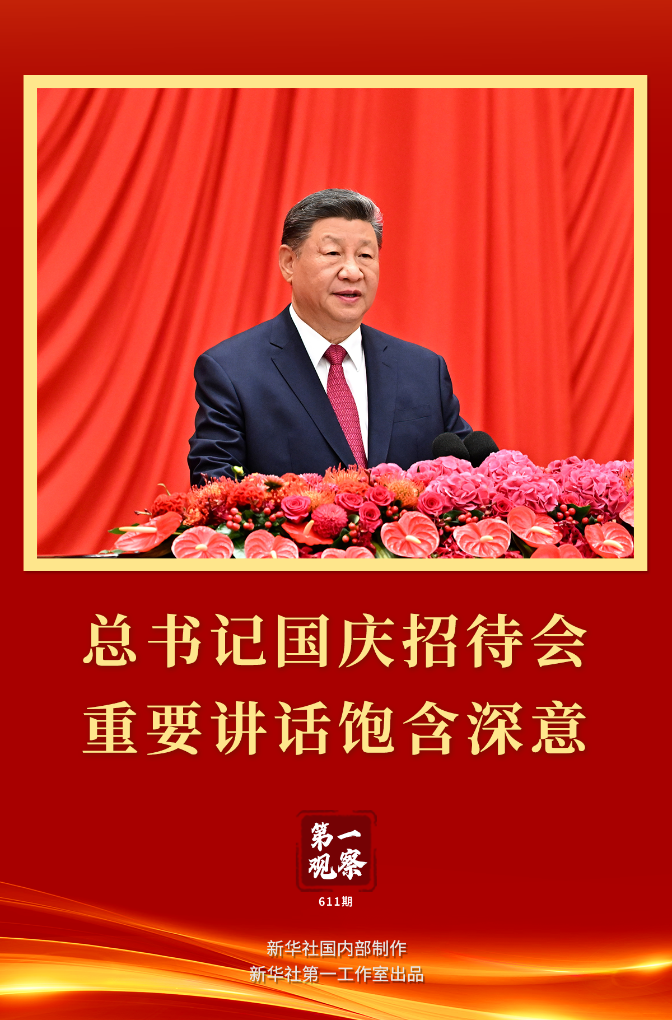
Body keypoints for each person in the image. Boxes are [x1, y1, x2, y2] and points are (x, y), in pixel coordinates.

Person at [188, 189, 471, 485]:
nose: (352, 272)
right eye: (333, 253)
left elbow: (468, 476)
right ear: (289, 262)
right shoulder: (233, 372)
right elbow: (215, 490)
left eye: (365, 255)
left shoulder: (424, 370)